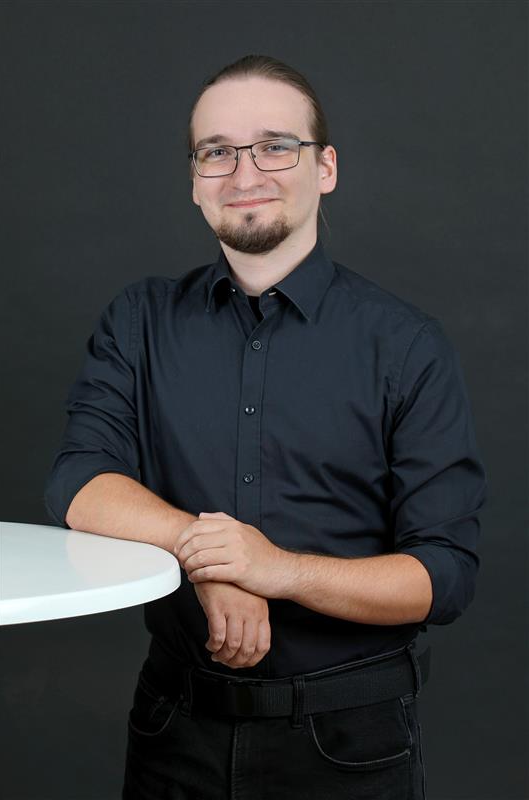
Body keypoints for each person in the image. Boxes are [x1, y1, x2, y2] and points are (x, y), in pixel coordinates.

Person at [44, 54, 487, 800]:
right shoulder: (139, 320)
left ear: (326, 168)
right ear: (194, 180)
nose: (244, 173)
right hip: (174, 730)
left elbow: (442, 576)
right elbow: (77, 482)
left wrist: (275, 569)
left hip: (349, 744)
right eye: (217, 152)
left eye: (275, 146)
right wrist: (208, 557)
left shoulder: (407, 345)